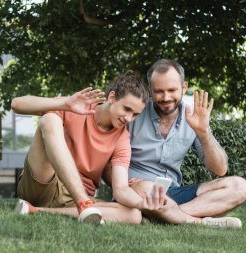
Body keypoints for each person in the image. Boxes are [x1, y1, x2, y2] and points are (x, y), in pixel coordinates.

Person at [103, 59, 246, 228]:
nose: (166, 97)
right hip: (138, 191)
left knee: (239, 186)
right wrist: (124, 184)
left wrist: (204, 133)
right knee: (146, 187)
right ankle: (196, 221)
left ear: (184, 88)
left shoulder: (193, 117)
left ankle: (165, 216)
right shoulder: (133, 113)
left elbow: (220, 169)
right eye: (159, 91)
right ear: (150, 90)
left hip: (175, 193)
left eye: (172, 90)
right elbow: (106, 162)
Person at [11, 71, 167, 225]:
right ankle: (83, 204)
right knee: (50, 119)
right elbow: (17, 104)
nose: (128, 118)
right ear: (112, 97)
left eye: (135, 114)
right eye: (126, 109)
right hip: (43, 183)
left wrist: (142, 203)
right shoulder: (78, 106)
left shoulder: (122, 139)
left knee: (133, 215)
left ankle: (35, 211)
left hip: (71, 201)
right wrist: (65, 104)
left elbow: (121, 189)